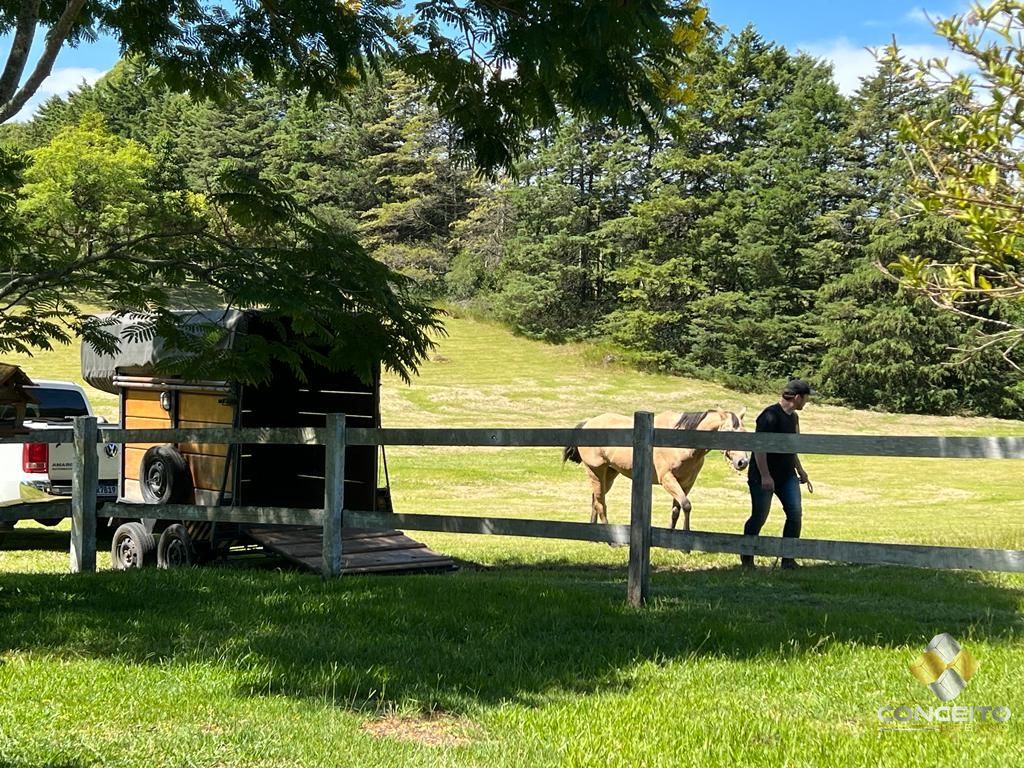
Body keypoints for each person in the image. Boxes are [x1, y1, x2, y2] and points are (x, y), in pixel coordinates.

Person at [741, 378, 813, 570]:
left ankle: (788, 559)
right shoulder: (769, 416)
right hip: (762, 475)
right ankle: (747, 558)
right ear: (797, 397)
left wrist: (800, 469)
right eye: (805, 398)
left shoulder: (794, 418)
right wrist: (765, 475)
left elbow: (792, 447)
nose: (806, 402)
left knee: (795, 513)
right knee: (759, 516)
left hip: (786, 475)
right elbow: (759, 448)